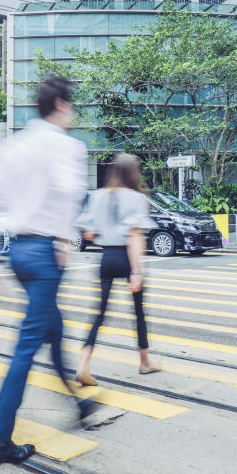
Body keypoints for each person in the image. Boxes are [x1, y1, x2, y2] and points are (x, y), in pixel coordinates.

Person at [0, 76, 96, 467]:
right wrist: (62, 239)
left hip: (18, 253)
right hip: (44, 256)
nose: (73, 114)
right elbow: (69, 192)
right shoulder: (67, 147)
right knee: (26, 348)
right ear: (61, 104)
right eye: (72, 106)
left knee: (53, 328)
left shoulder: (12, 146)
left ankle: (79, 404)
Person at [75, 154, 158, 386]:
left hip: (106, 257)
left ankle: (83, 364)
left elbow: (88, 234)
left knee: (99, 313)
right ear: (133, 172)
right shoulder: (136, 198)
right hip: (126, 257)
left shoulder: (97, 196)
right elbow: (135, 236)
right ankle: (144, 361)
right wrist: (136, 272)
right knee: (139, 312)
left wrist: (103, 228)